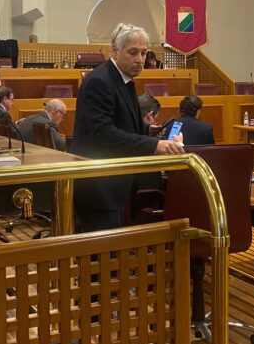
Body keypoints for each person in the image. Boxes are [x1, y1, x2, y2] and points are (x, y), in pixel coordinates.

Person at [71, 23, 184, 232]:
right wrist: (154, 145)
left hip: (115, 185)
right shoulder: (99, 81)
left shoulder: (124, 80)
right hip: (99, 188)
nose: (140, 59)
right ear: (115, 50)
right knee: (103, 250)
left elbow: (125, 125)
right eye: (133, 52)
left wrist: (156, 135)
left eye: (144, 53)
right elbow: (103, 134)